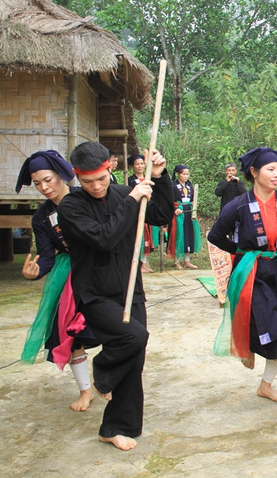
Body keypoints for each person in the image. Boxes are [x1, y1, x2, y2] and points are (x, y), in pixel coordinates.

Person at [57, 141, 174, 451]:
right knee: (133, 337)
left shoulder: (124, 193)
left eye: (101, 178)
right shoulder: (70, 207)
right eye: (87, 181)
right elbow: (104, 238)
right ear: (76, 177)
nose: (96, 186)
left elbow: (161, 215)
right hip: (95, 294)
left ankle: (116, 427)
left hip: (130, 288)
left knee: (135, 359)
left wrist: (160, 178)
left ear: (109, 168)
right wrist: (133, 198)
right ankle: (103, 374)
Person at [16, 150, 100, 412]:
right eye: (38, 183)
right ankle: (86, 390)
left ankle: (108, 382)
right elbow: (47, 257)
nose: (43, 187)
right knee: (71, 334)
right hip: (68, 276)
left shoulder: (87, 197)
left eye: (48, 179)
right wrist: (37, 270)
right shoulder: (41, 217)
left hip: (99, 268)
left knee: (113, 328)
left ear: (62, 175)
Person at [208, 147, 277, 403]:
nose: (276, 175)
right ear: (254, 172)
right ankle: (249, 346)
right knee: (265, 317)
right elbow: (215, 236)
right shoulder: (239, 206)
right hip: (252, 270)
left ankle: (265, 384)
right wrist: (243, 252)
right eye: (270, 169)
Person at [168, 164, 200, 269]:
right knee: (179, 234)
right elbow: (168, 200)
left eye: (187, 174)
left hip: (189, 212)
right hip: (179, 212)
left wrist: (194, 203)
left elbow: (192, 199)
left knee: (189, 234)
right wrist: (174, 209)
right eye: (183, 174)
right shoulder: (173, 186)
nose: (186, 176)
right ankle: (176, 260)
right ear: (178, 174)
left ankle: (187, 260)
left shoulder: (190, 186)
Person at [128, 154, 155, 273]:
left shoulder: (149, 177)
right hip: (137, 210)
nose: (140, 166)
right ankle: (138, 264)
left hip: (149, 210)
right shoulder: (130, 180)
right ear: (133, 166)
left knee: (148, 238)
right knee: (139, 236)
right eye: (137, 164)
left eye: (142, 163)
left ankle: (144, 263)